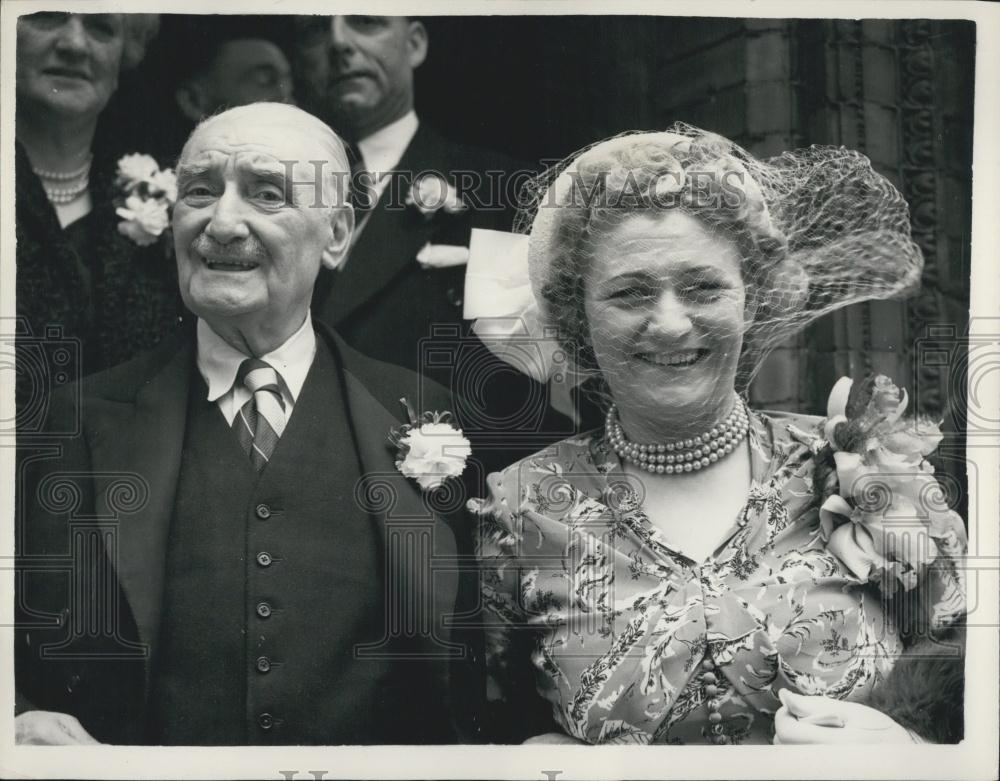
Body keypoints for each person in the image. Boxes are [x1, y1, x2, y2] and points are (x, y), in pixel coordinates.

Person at [469, 127, 967, 745]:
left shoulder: (860, 468)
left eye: (703, 287)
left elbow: (970, 693)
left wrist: (911, 752)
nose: (670, 323)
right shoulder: (519, 506)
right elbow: (492, 721)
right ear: (578, 316)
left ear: (751, 300)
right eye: (629, 293)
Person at [15, 103, 470, 745]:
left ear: (337, 233)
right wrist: (18, 716)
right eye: (200, 191)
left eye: (266, 194)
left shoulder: (421, 409)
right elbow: (22, 644)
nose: (222, 223)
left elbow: (482, 663)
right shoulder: (79, 420)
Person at [15, 12, 183, 413]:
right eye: (46, 17)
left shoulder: (161, 195)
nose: (74, 45)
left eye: (101, 28)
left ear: (125, 55)